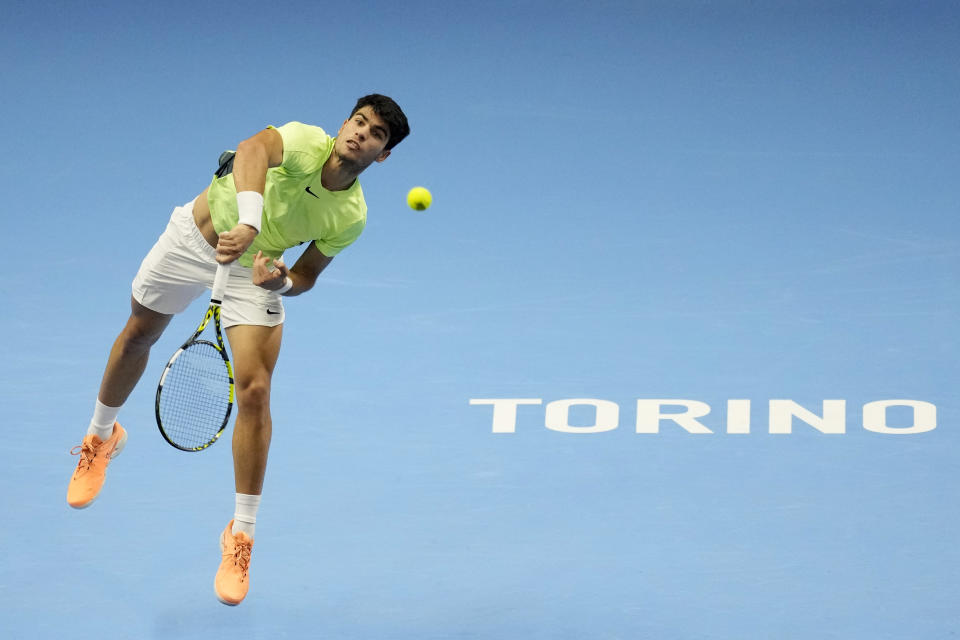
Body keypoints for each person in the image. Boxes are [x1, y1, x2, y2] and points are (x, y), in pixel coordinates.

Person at [66, 94, 410, 605]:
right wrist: (249, 219)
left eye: (376, 133)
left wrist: (280, 283)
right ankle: (101, 437)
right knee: (139, 333)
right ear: (343, 125)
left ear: (382, 156)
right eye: (358, 122)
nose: (361, 132)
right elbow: (252, 149)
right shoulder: (303, 140)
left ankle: (241, 535)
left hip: (256, 273)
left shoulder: (350, 217)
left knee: (254, 391)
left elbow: (306, 275)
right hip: (196, 240)